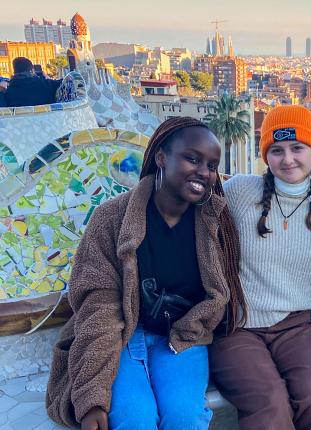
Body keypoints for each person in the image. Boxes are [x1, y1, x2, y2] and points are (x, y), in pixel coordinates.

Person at [46, 117, 247, 430]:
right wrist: (92, 397)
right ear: (161, 157)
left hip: (183, 338)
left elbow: (217, 295)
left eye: (211, 165)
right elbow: (97, 304)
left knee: (185, 418)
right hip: (124, 335)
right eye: (192, 159)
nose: (203, 172)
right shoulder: (112, 218)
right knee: (134, 418)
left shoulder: (214, 224)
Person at [210, 105, 311, 430]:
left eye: (298, 148)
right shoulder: (240, 191)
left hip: (297, 327)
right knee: (270, 404)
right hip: (238, 325)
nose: (288, 159)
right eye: (276, 150)